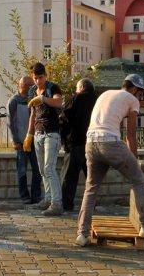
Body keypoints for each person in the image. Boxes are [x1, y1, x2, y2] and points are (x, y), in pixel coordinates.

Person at [75, 74, 144, 247]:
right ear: (135, 89)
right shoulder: (132, 99)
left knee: (91, 189)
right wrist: (135, 159)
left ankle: (82, 234)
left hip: (91, 142)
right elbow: (131, 134)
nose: (138, 95)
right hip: (109, 143)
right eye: (139, 92)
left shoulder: (105, 94)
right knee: (138, 179)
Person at [24, 62, 65, 216]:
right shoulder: (32, 90)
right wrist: (29, 134)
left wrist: (43, 98)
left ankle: (57, 203)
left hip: (51, 133)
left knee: (49, 168)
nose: (38, 81)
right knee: (42, 170)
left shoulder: (52, 87)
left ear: (45, 76)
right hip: (38, 133)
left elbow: (58, 102)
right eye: (35, 78)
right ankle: (48, 199)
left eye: (40, 77)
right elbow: (33, 114)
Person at [61, 78, 97, 212]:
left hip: (75, 142)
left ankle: (66, 204)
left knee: (69, 176)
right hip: (93, 143)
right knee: (92, 177)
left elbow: (64, 119)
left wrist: (64, 139)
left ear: (81, 87)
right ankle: (91, 205)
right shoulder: (97, 100)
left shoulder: (75, 98)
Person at [7, 76, 43, 204]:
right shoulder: (13, 101)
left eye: (30, 85)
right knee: (22, 170)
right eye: (26, 85)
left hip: (34, 140)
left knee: (37, 170)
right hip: (21, 141)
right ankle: (24, 196)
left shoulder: (33, 100)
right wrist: (15, 140)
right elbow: (10, 123)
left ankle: (36, 195)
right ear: (20, 85)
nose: (28, 87)